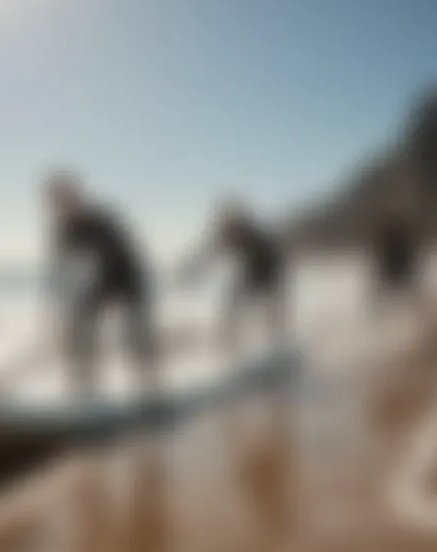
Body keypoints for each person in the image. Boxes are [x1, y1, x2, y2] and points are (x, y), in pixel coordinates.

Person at [43, 170, 157, 397]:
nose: (60, 207)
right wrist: (57, 311)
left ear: (77, 197)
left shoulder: (100, 220)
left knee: (134, 336)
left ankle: (150, 390)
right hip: (102, 282)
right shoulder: (62, 231)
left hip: (130, 279)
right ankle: (85, 387)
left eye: (65, 199)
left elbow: (117, 258)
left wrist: (101, 297)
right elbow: (59, 271)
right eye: (55, 203)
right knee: (78, 329)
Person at [177, 198, 288, 355]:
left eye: (228, 220)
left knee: (271, 307)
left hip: (269, 272)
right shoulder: (227, 233)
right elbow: (209, 253)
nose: (225, 224)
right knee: (232, 302)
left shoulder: (252, 231)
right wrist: (191, 271)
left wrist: (275, 287)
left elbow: (272, 256)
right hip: (251, 273)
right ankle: (230, 341)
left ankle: (278, 340)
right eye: (224, 221)